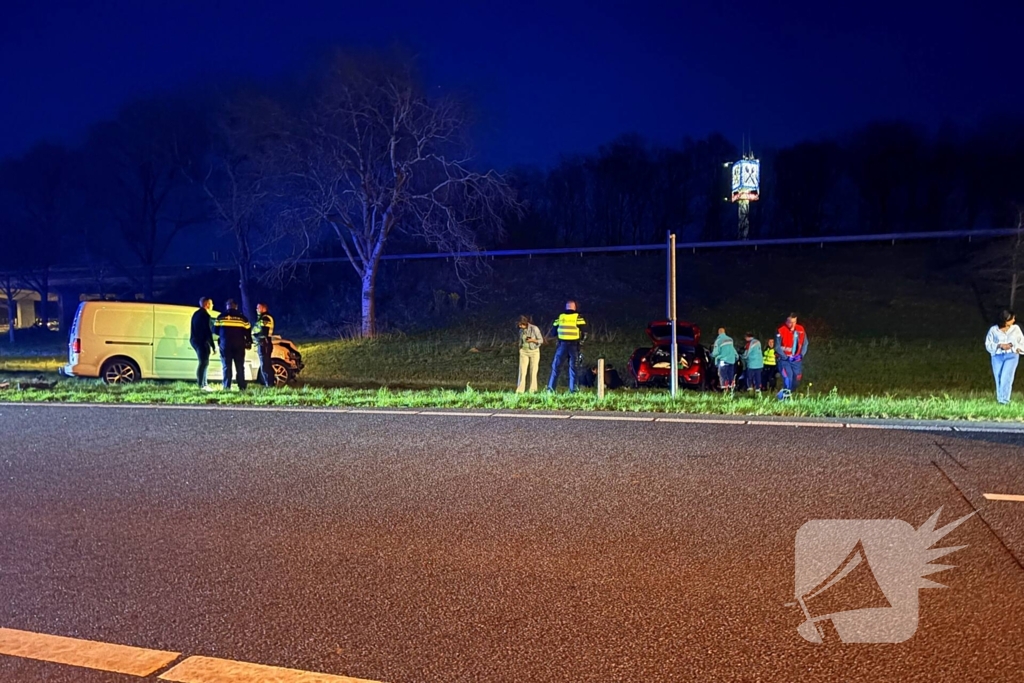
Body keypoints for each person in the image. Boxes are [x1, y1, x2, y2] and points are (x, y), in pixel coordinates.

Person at [985, 309, 1024, 404]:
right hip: (997, 356)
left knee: (1006, 377)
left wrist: (1016, 347)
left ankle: (1005, 400)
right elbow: (988, 344)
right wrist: (999, 345)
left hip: (1011, 356)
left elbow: (1021, 342)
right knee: (998, 377)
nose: (1014, 320)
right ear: (1005, 320)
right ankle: (1000, 399)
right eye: (1012, 319)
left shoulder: (1016, 329)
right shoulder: (994, 330)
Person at [547, 300, 587, 392]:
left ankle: (551, 389)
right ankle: (573, 390)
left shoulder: (560, 317)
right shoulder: (578, 317)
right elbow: (585, 331)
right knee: (573, 369)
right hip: (574, 346)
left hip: (562, 345)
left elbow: (553, 332)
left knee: (556, 368)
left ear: (566, 307)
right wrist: (581, 342)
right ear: (575, 307)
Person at [214, 299, 252, 391]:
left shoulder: (221, 317)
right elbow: (248, 332)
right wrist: (248, 342)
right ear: (236, 306)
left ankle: (227, 386)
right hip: (239, 345)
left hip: (225, 345)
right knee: (240, 366)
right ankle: (242, 386)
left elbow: (215, 331)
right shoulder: (242, 318)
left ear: (227, 306)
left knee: (226, 366)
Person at [775, 313, 808, 400]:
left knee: (796, 378)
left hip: (796, 359)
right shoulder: (781, 330)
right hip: (784, 359)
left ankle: (783, 393)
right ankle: (785, 398)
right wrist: (785, 357)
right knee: (788, 377)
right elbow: (777, 346)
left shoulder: (800, 329)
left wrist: (801, 355)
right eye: (790, 322)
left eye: (794, 322)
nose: (793, 324)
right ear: (786, 321)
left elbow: (805, 343)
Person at [189, 297, 216, 390]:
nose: (212, 305)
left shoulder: (196, 314)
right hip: (202, 341)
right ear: (207, 304)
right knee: (203, 363)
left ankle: (204, 383)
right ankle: (201, 385)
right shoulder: (205, 315)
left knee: (204, 362)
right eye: (211, 303)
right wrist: (213, 345)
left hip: (195, 340)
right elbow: (208, 331)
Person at [515, 315, 544, 393]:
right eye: (519, 325)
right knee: (522, 371)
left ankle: (532, 390)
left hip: (534, 351)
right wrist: (520, 348)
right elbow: (520, 341)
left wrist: (532, 340)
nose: (520, 326)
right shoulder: (521, 331)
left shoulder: (534, 328)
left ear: (525, 323)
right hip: (524, 352)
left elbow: (541, 340)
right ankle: (520, 390)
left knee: (533, 371)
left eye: (521, 324)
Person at [252, 302, 275, 387]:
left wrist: (255, 336)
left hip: (264, 343)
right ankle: (270, 383)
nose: (256, 309)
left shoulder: (265, 318)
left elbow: (264, 332)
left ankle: (269, 385)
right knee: (266, 364)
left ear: (263, 308)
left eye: (258, 308)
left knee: (265, 365)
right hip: (264, 343)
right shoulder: (262, 318)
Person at [711, 327, 738, 392]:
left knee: (723, 375)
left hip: (723, 360)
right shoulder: (730, 339)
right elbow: (733, 349)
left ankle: (725, 390)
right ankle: (731, 389)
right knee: (730, 375)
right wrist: (736, 356)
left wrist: (712, 355)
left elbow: (716, 352)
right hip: (731, 360)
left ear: (719, 332)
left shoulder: (718, 340)